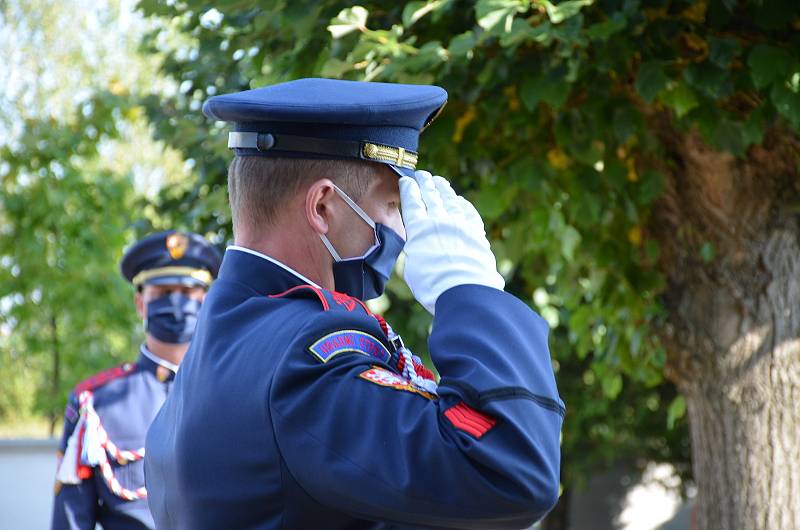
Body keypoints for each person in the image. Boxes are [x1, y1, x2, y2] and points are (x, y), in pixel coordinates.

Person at [145, 78, 565, 529]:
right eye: (390, 206)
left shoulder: (221, 348)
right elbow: (512, 469)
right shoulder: (305, 357)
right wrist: (468, 292)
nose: (401, 233)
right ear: (323, 207)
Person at [51, 230, 221, 530]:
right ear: (140, 303)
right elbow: (71, 521)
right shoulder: (95, 405)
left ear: (205, 301)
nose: (177, 304)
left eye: (187, 292)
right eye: (164, 293)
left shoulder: (231, 393)